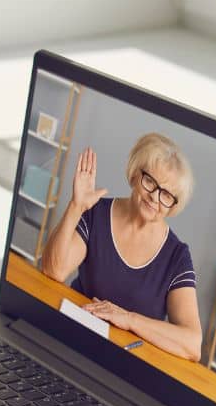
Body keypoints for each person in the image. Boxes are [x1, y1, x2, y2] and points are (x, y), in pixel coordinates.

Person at [41, 133, 202, 362]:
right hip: (72, 340)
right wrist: (76, 206)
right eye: (150, 182)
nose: (155, 197)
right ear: (135, 175)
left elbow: (192, 344)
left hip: (125, 363)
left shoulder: (177, 257)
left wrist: (129, 319)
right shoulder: (96, 213)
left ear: (173, 206)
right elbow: (53, 270)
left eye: (166, 195)